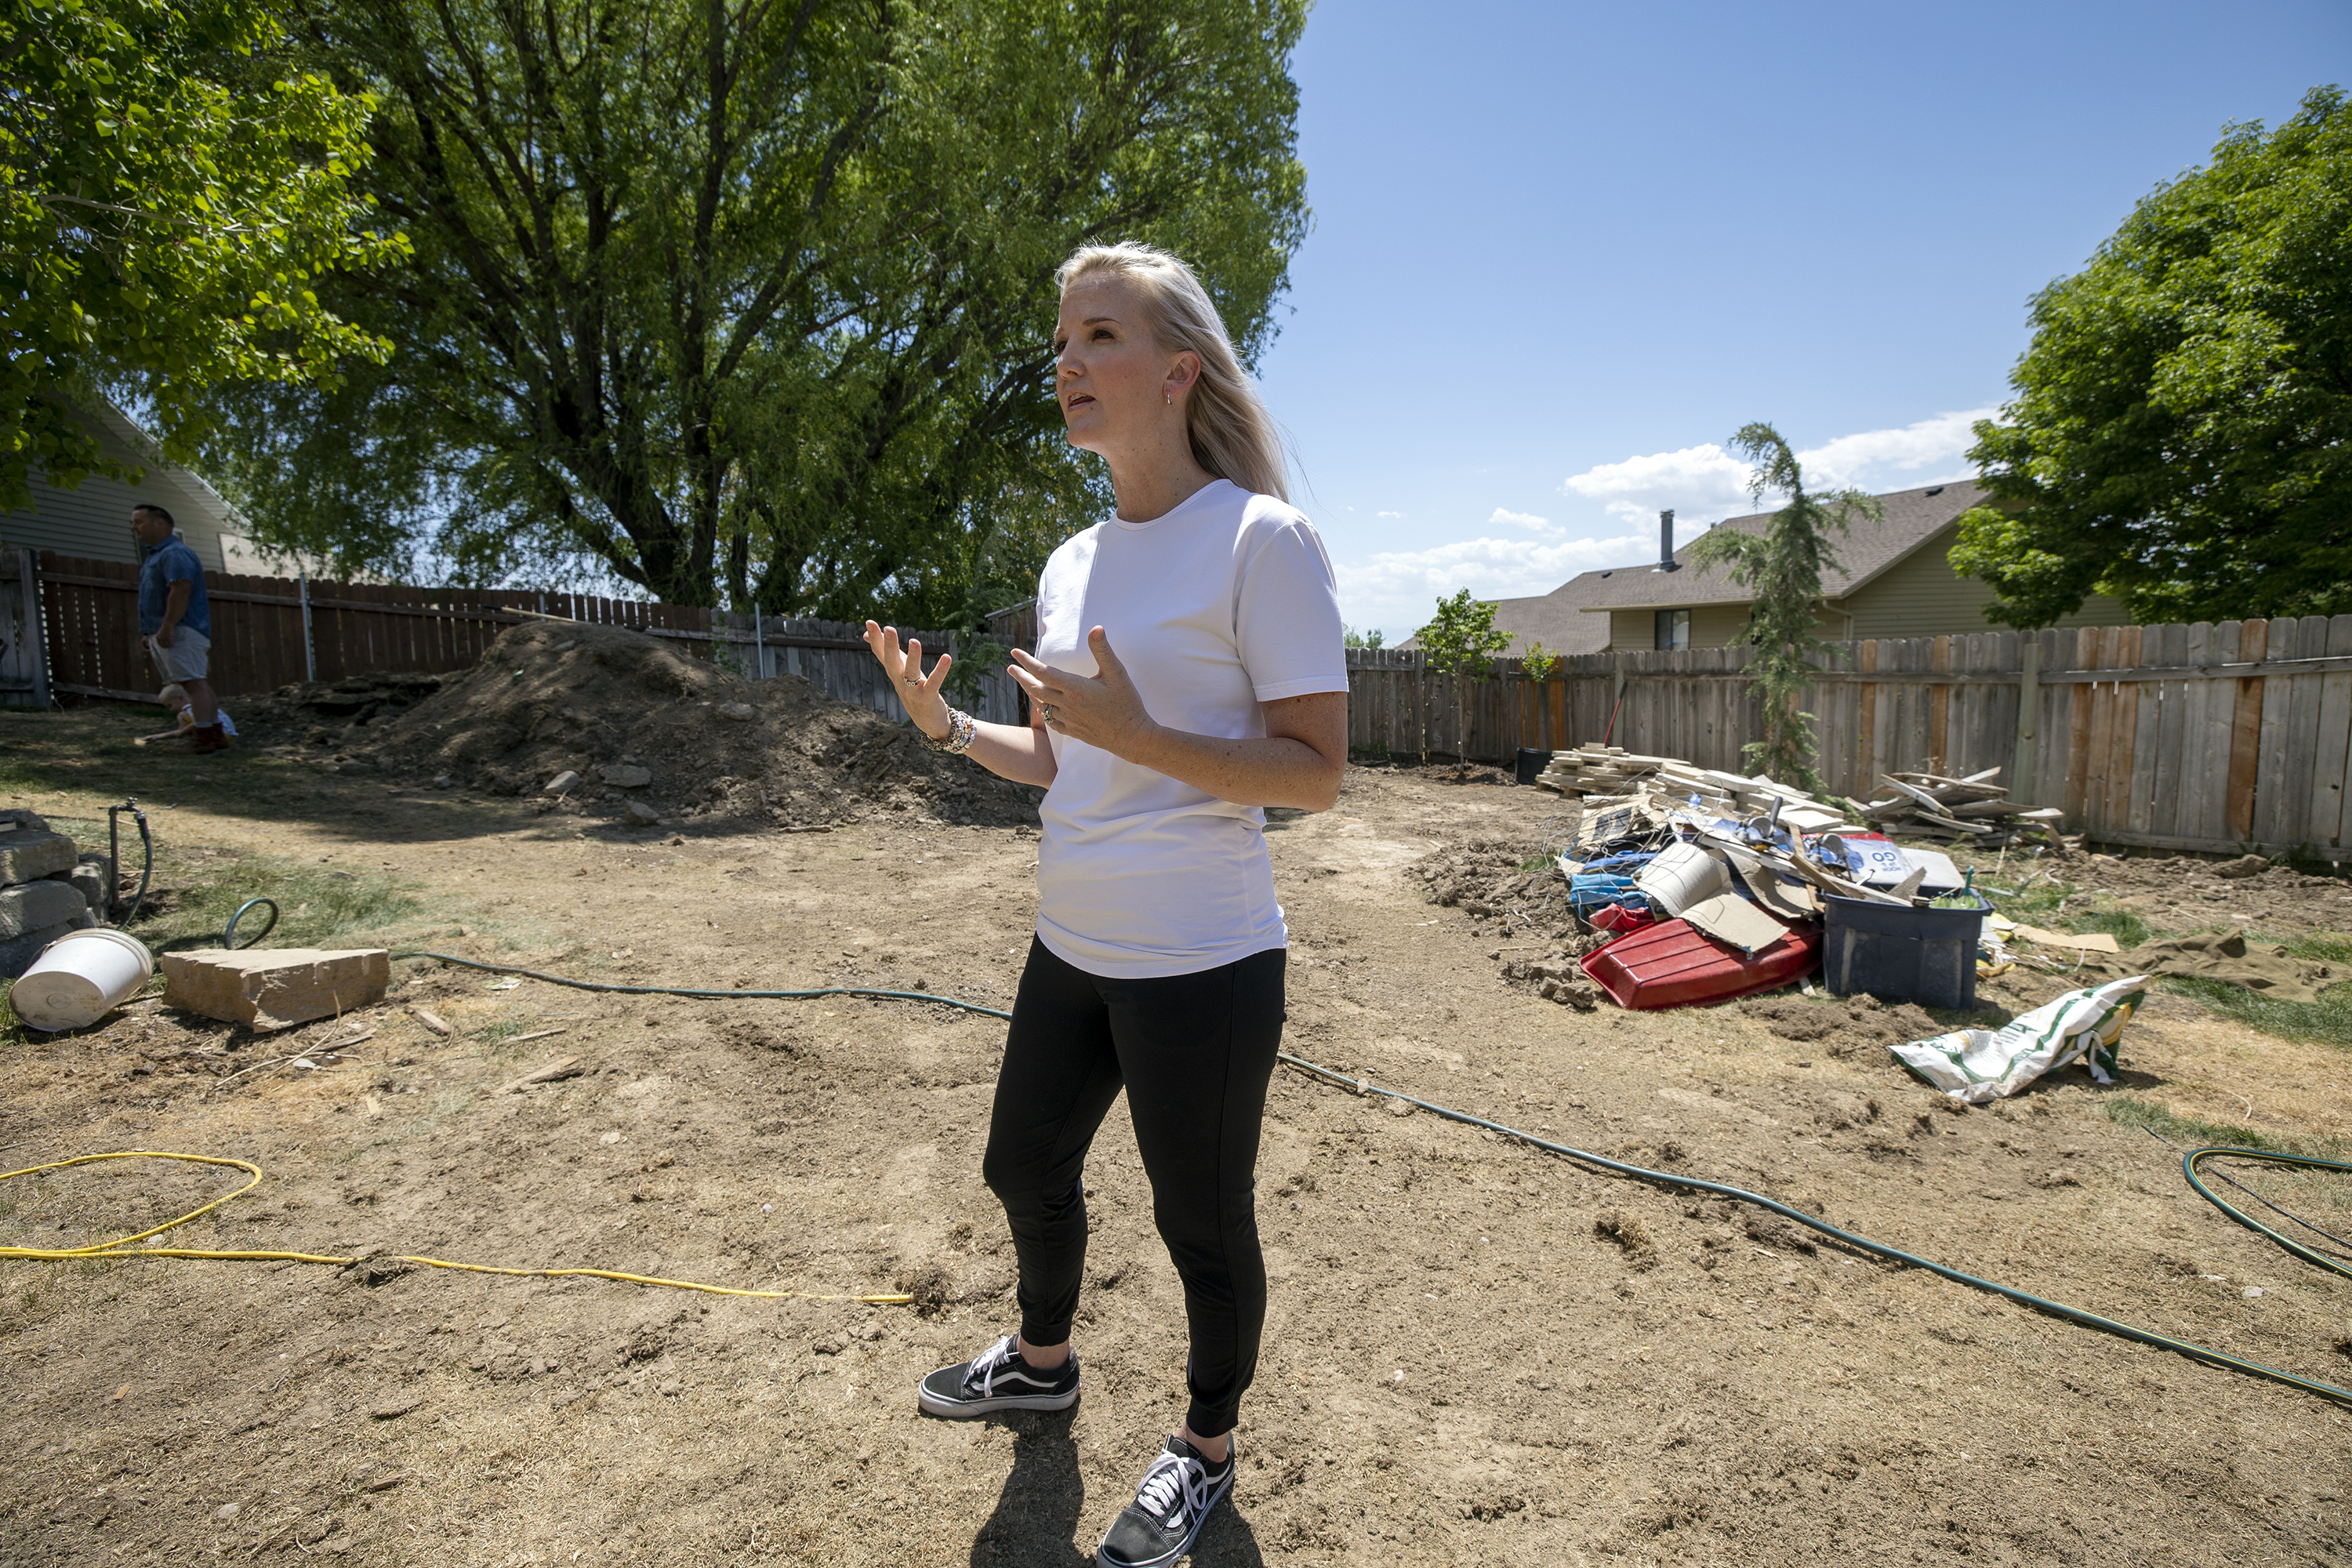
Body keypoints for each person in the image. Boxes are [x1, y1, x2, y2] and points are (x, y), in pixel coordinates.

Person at [861, 241, 1347, 1567]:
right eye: (1062, 340)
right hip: (1071, 942)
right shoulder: (1073, 558)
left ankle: (1204, 1451)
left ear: (1180, 370)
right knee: (1021, 1163)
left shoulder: (1262, 541)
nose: (1067, 361)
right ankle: (1042, 1364)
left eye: (1100, 337)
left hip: (1203, 958)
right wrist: (947, 723)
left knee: (1201, 1224)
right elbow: (1061, 761)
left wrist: (1139, 732)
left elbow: (1317, 777)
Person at [130, 504, 224, 753]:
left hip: (183, 629)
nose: (134, 527)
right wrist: (149, 632)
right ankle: (215, 736)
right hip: (171, 629)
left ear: (159, 523)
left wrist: (167, 626)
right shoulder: (156, 556)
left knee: (193, 684)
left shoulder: (175, 553)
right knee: (195, 682)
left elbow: (180, 589)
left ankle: (204, 738)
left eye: (139, 521)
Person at [132, 682, 238, 746]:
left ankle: (196, 743)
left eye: (171, 705)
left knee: (182, 716)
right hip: (229, 736)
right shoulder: (200, 705)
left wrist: (181, 733)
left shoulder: (192, 708)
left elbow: (197, 724)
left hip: (223, 735)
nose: (171, 709)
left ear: (181, 698)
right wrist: (158, 736)